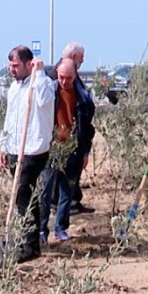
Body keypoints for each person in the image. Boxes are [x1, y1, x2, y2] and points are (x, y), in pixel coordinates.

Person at [0, 45, 56, 262]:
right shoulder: (15, 88)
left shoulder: (42, 84)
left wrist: (39, 72)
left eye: (16, 65)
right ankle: (26, 237)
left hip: (33, 149)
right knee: (21, 197)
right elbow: (10, 118)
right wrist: (5, 146)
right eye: (10, 65)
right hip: (15, 148)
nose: (12, 69)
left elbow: (45, 101)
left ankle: (31, 244)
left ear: (28, 64)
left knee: (23, 195)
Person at [39, 58, 95, 242]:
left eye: (68, 78)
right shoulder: (49, 92)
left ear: (75, 75)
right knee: (45, 192)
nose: (64, 81)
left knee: (67, 192)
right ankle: (41, 230)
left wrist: (85, 152)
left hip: (72, 150)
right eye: (61, 77)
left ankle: (61, 228)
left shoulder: (83, 98)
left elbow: (87, 129)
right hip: (50, 149)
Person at [60, 41, 100, 214]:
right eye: (82, 59)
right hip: (62, 137)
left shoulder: (75, 79)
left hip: (78, 135)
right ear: (74, 56)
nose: (82, 62)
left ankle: (73, 202)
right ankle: (64, 208)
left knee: (73, 175)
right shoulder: (58, 76)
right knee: (61, 177)